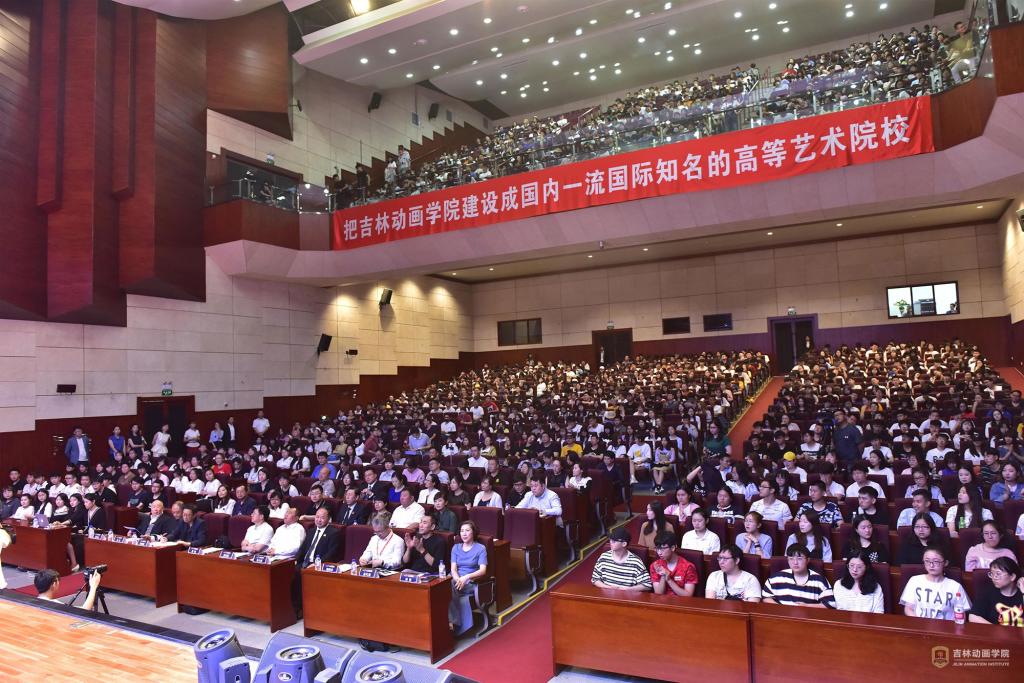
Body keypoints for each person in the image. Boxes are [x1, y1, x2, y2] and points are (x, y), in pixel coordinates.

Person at [900, 546, 970, 620]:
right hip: (919, 624)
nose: (931, 565)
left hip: (946, 626)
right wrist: (920, 622)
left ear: (945, 563)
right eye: (927, 561)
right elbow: (908, 608)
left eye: (936, 561)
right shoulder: (915, 580)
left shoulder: (955, 586)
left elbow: (961, 615)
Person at [762, 544, 835, 608]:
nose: (795, 562)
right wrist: (782, 609)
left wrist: (807, 606)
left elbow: (831, 604)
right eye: (791, 559)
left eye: (799, 559)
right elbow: (766, 597)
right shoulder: (777, 578)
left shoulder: (819, 580)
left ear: (808, 560)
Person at [449, 521, 488, 635]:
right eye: (462, 531)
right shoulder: (456, 547)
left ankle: (453, 622)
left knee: (448, 586)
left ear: (473, 532)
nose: (464, 534)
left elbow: (483, 570)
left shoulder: (480, 548)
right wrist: (458, 579)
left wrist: (465, 577)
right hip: (456, 580)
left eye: (467, 530)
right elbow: (453, 569)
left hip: (471, 583)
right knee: (444, 585)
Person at [590, 527, 652, 592]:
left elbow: (647, 585)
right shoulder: (604, 557)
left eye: (614, 541)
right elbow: (595, 579)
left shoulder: (636, 562)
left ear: (624, 544)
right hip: (605, 596)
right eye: (610, 539)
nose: (610, 542)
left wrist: (627, 590)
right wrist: (608, 588)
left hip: (626, 596)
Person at [968, 556, 1024, 626]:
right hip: (994, 632)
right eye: (992, 573)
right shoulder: (987, 592)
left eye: (998, 574)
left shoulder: (1021, 591)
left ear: (1012, 576)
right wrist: (996, 629)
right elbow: (973, 617)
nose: (994, 577)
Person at [650, 532, 698, 597]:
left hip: (681, 602)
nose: (659, 553)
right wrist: (663, 575)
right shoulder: (655, 565)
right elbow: (658, 594)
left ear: (672, 548)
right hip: (662, 601)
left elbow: (688, 596)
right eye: (657, 548)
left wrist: (669, 580)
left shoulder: (688, 567)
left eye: (662, 549)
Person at [35, 568, 103, 611]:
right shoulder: (55, 605)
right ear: (54, 584)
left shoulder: (33, 602)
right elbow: (85, 610)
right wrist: (93, 586)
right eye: (58, 581)